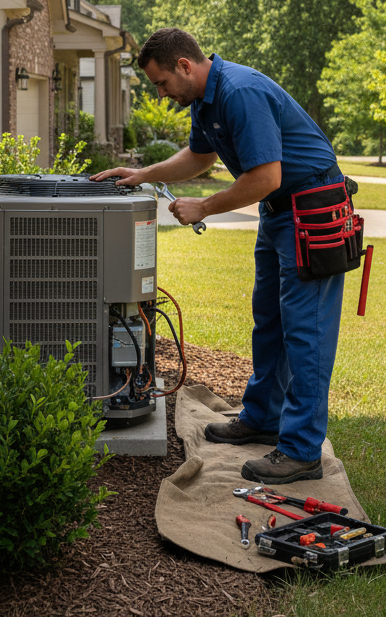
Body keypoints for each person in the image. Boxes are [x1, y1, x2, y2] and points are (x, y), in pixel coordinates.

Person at [92, 27, 346, 484]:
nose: (162, 94)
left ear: (185, 67)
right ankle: (264, 417)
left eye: (162, 83)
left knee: (305, 332)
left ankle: (302, 450)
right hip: (280, 215)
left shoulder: (240, 92)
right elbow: (200, 157)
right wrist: (142, 174)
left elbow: (266, 176)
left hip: (311, 212)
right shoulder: (206, 101)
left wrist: (204, 206)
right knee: (268, 319)